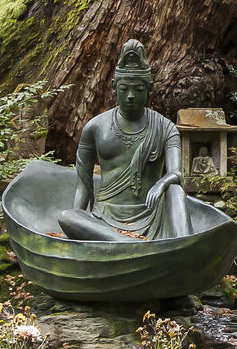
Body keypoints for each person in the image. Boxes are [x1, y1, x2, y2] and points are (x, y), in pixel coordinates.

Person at [56, 39, 190, 241]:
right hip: (104, 219)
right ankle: (129, 244)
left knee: (176, 191)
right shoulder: (95, 127)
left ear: (149, 89)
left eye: (137, 89)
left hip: (150, 215)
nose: (130, 96)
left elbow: (177, 173)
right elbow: (83, 184)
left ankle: (184, 245)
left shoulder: (165, 127)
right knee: (68, 217)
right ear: (113, 87)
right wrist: (78, 223)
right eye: (124, 88)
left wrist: (162, 182)